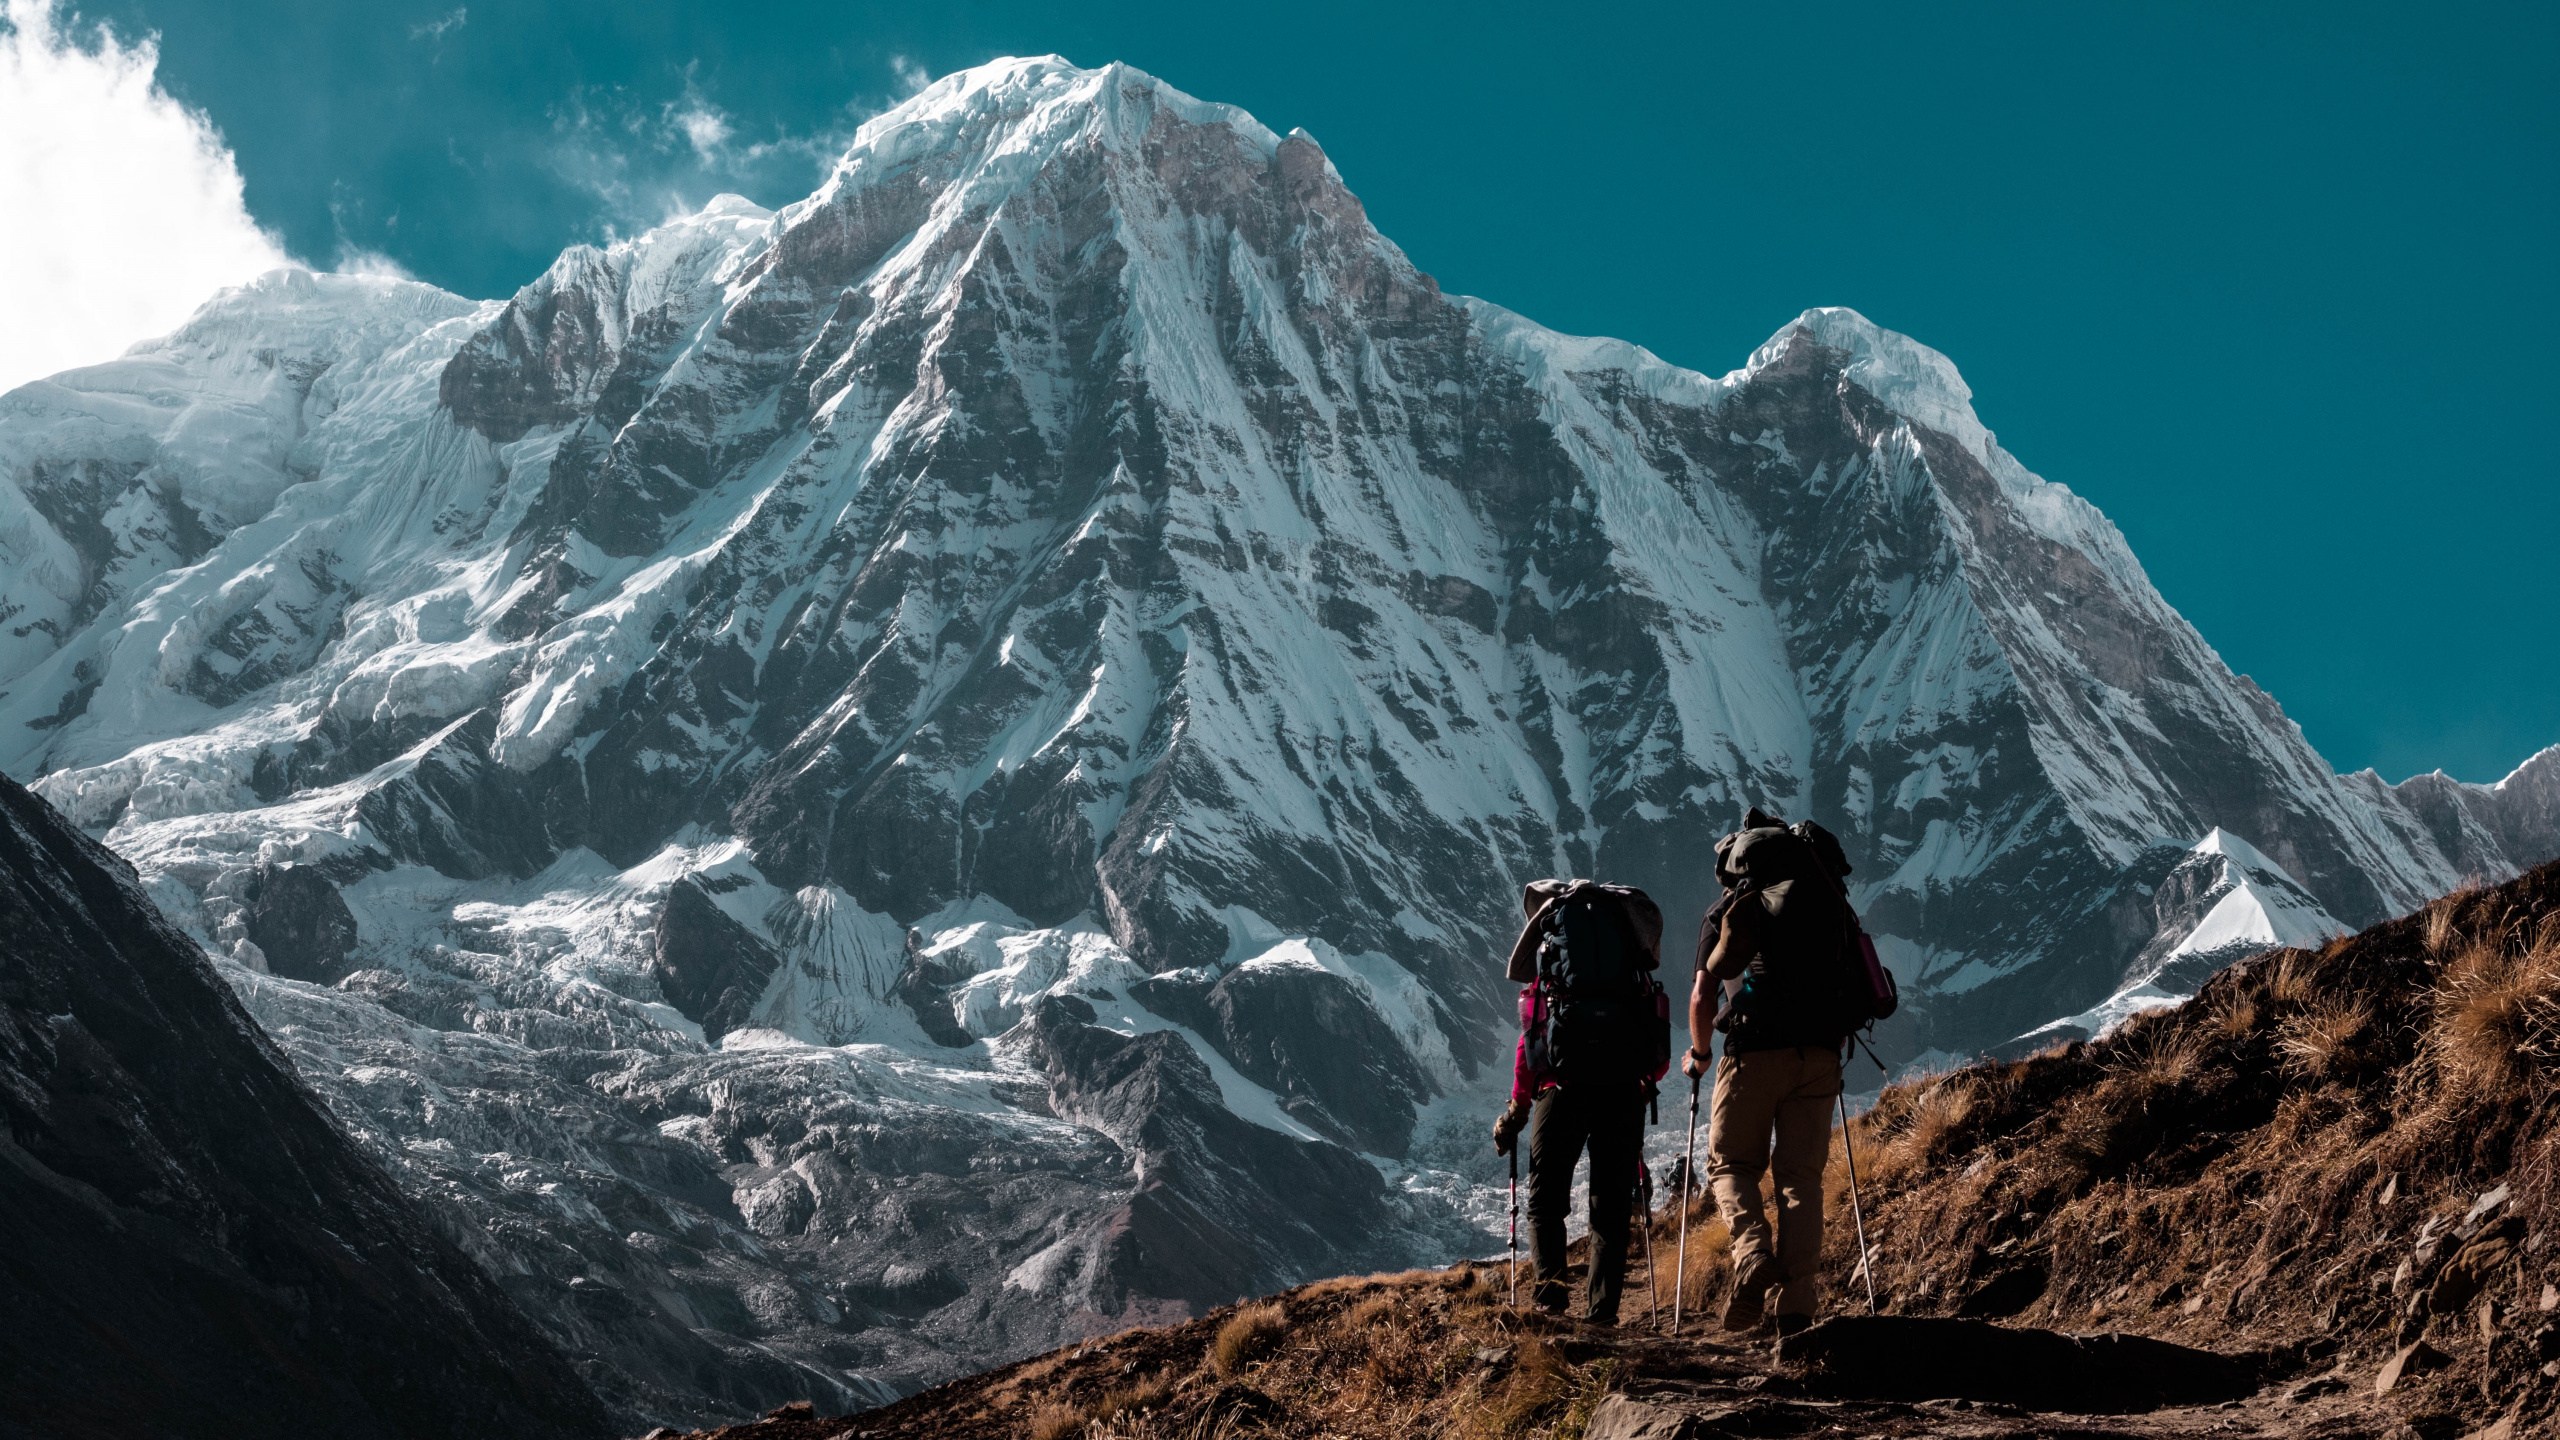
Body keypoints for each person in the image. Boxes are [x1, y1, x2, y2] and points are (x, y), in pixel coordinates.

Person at [1681, 808, 1855, 1334]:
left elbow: (1703, 995)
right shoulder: (1829, 898)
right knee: (1801, 1180)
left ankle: (1753, 1252)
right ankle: (1796, 1310)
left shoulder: (1729, 908)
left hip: (1753, 1050)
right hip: (1821, 1053)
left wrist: (1701, 1054)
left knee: (1731, 1165)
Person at [1492, 878, 1666, 1324]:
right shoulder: (1628, 966)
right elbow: (1654, 1037)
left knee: (1546, 1201)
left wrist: (1517, 1110)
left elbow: (1530, 1044)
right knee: (1610, 1206)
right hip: (1623, 1091)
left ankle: (1551, 1303)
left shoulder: (1553, 969)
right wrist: (1638, 1082)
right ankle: (1602, 1313)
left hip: (1562, 1090)